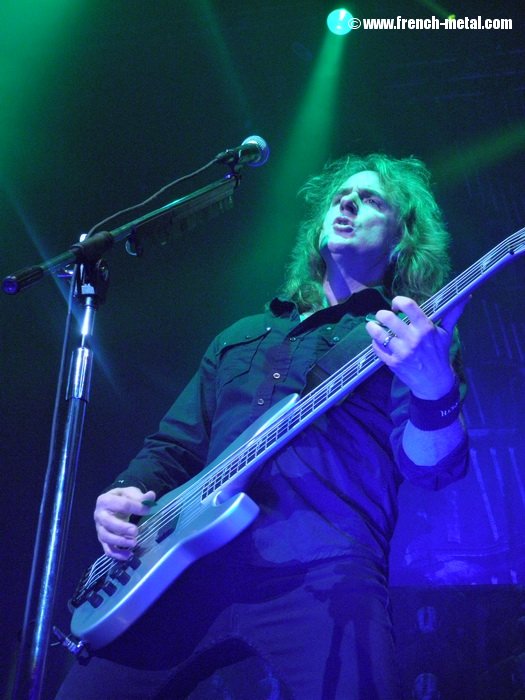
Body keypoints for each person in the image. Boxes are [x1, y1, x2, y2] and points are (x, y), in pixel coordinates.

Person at [56, 153, 469, 699]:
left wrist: (434, 387)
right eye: (340, 195)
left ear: (401, 242)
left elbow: (431, 467)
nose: (347, 202)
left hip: (324, 564)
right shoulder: (241, 335)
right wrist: (122, 495)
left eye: (371, 200)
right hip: (182, 564)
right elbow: (173, 447)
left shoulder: (408, 338)